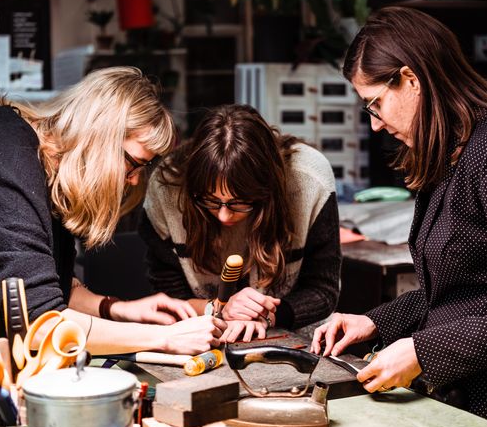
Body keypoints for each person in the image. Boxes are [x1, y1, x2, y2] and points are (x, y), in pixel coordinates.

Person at [311, 7, 487, 427]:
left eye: (375, 104)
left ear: (411, 80)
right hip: (466, 406)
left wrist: (422, 352)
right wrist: (376, 322)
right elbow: (462, 288)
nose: (375, 124)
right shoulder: (451, 155)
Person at [0, 67, 225, 372]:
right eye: (133, 162)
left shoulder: (37, 167)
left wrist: (118, 309)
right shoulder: (2, 165)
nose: (133, 180)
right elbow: (41, 324)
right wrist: (164, 338)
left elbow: (44, 289)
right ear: (98, 136)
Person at [140, 104, 341, 342]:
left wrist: (266, 315)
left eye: (239, 203)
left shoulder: (309, 179)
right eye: (210, 201)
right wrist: (217, 307)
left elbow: (323, 290)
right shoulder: (167, 186)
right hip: (199, 335)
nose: (224, 216)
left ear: (268, 192)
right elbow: (168, 296)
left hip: (292, 335)